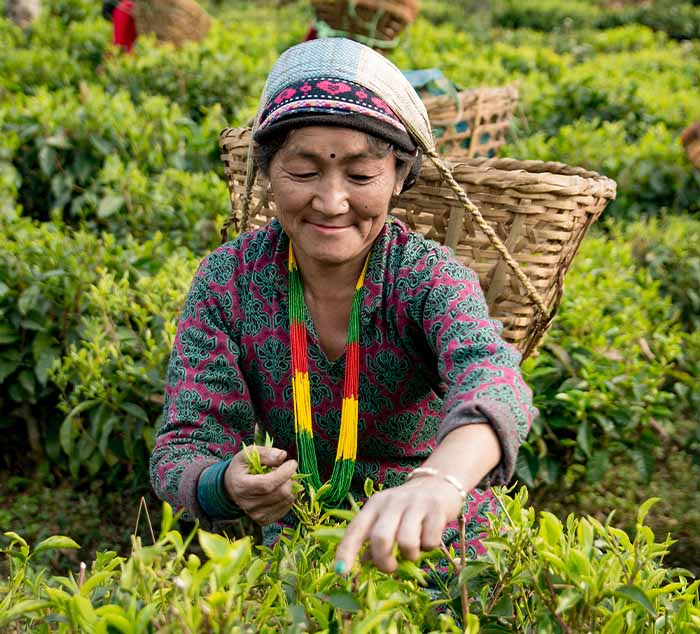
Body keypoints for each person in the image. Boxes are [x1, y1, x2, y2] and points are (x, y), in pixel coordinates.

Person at [150, 37, 536, 576]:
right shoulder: (228, 281)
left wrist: (438, 482)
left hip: (438, 537)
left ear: (400, 177)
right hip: (304, 543)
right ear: (265, 174)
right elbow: (184, 442)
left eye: (360, 176)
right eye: (304, 172)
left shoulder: (424, 276)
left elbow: (495, 382)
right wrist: (224, 485)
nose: (332, 202)